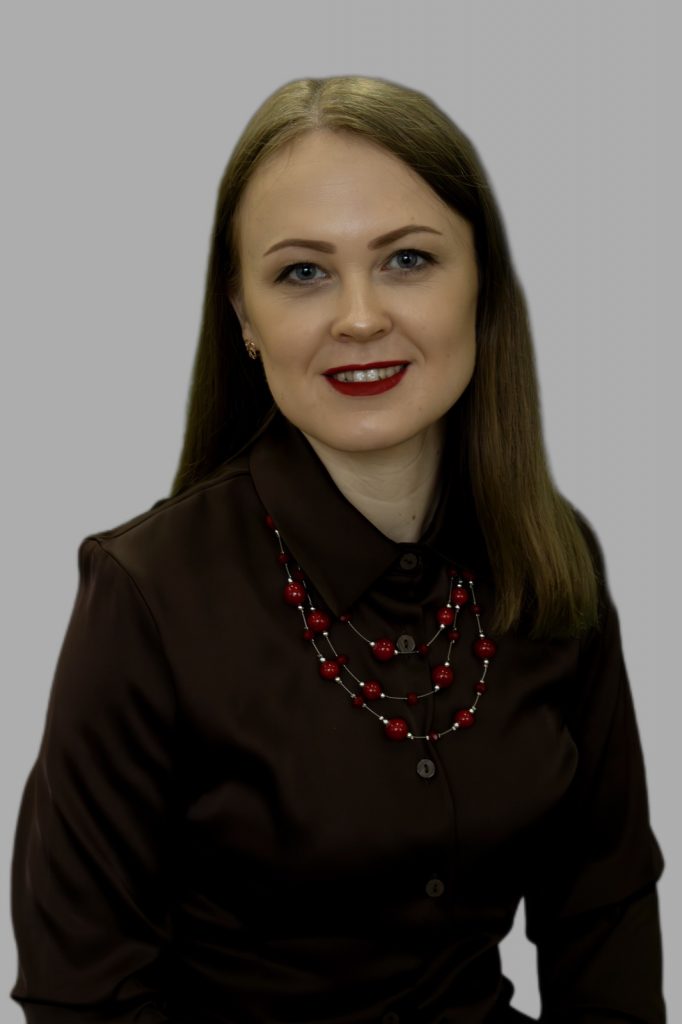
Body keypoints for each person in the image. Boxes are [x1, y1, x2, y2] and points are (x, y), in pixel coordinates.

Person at [9, 75, 665, 1024]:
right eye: (303, 273)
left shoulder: (552, 557)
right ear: (244, 316)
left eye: (407, 259)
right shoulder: (144, 596)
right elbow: (85, 997)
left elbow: (603, 918)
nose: (359, 317)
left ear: (481, 285)